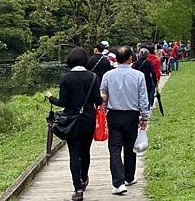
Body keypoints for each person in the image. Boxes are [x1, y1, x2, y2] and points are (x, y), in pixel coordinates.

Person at [46, 47, 103, 201]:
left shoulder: (66, 78)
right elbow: (98, 100)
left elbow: (63, 102)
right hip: (88, 120)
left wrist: (51, 98)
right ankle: (84, 178)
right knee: (85, 152)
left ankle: (77, 189)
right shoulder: (93, 77)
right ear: (85, 60)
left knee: (74, 154)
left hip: (71, 121)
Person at [100, 45, 149, 195]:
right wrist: (144, 116)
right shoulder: (139, 75)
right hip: (132, 115)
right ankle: (129, 176)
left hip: (114, 114)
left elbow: (103, 96)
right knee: (130, 147)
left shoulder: (107, 75)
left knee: (114, 149)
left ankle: (118, 183)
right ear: (130, 58)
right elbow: (143, 98)